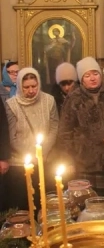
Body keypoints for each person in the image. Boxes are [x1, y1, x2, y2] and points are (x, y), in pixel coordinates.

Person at [58, 57, 104, 211]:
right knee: (91, 210)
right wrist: (70, 158)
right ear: (81, 79)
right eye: (87, 75)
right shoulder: (74, 99)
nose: (92, 78)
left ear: (100, 74)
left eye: (95, 73)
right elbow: (65, 132)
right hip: (86, 163)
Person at [5, 68, 58, 210]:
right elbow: (12, 137)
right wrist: (32, 155)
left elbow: (54, 128)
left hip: (45, 160)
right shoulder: (11, 104)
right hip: (20, 163)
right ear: (20, 87)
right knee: (24, 205)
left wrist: (43, 152)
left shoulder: (49, 100)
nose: (31, 90)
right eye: (26, 87)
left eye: (34, 86)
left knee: (45, 205)